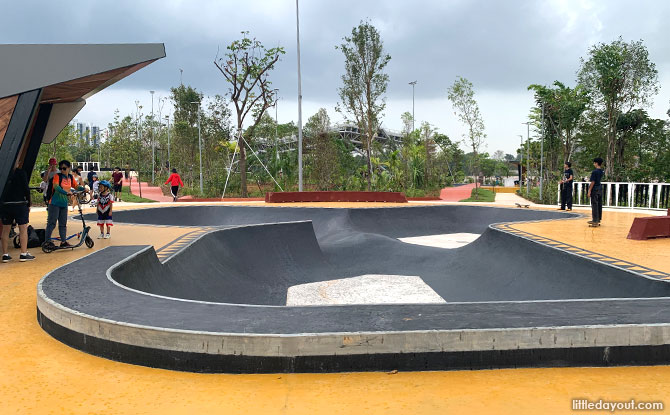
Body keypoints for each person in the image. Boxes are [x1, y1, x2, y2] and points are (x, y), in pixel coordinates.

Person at [1, 161, 35, 262]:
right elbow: (26, 188)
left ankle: (5, 254)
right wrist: (29, 202)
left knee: (5, 230)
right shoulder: (21, 173)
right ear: (17, 163)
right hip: (20, 204)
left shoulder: (3, 173)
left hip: (6, 204)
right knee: (23, 229)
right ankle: (23, 253)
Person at [45, 160, 82, 247]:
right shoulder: (57, 176)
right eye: (61, 168)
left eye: (64, 168)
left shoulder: (70, 177)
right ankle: (47, 241)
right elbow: (56, 187)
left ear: (69, 168)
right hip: (54, 203)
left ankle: (63, 241)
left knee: (63, 224)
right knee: (51, 223)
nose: (62, 170)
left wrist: (83, 189)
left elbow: (76, 186)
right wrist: (66, 193)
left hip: (63, 204)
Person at [587, 157, 605, 226]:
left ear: (596, 163)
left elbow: (593, 181)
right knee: (599, 204)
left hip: (595, 189)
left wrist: (589, 190)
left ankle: (595, 220)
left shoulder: (595, 172)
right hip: (599, 188)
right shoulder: (601, 171)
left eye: (594, 163)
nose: (593, 164)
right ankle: (598, 219)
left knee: (594, 204)